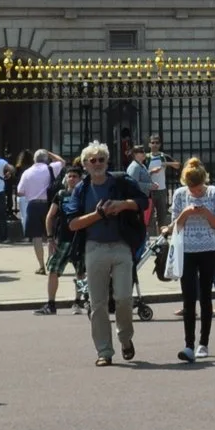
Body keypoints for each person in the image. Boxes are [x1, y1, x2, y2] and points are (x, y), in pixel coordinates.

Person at [64, 143, 147, 364]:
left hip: (121, 246)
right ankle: (104, 352)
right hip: (94, 247)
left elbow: (142, 202)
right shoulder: (81, 190)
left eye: (102, 159)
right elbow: (72, 224)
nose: (98, 164)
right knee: (98, 303)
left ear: (107, 161)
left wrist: (122, 205)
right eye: (93, 160)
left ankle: (125, 338)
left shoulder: (120, 182)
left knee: (123, 298)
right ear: (85, 165)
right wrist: (99, 214)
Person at [168, 158, 215, 362]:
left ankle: (204, 342)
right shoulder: (180, 195)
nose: (196, 192)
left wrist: (204, 211)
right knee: (188, 298)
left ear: (204, 181)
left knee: (205, 297)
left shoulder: (214, 193)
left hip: (208, 249)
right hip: (186, 251)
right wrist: (186, 212)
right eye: (192, 188)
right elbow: (175, 225)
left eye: (198, 188)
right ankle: (188, 344)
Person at [19, 150, 57, 273]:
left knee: (37, 237)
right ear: (46, 159)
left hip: (33, 205)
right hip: (48, 205)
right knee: (50, 235)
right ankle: (52, 262)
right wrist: (50, 153)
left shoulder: (27, 172)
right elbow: (62, 161)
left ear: (34, 159)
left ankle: (41, 266)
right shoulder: (50, 168)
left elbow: (20, 191)